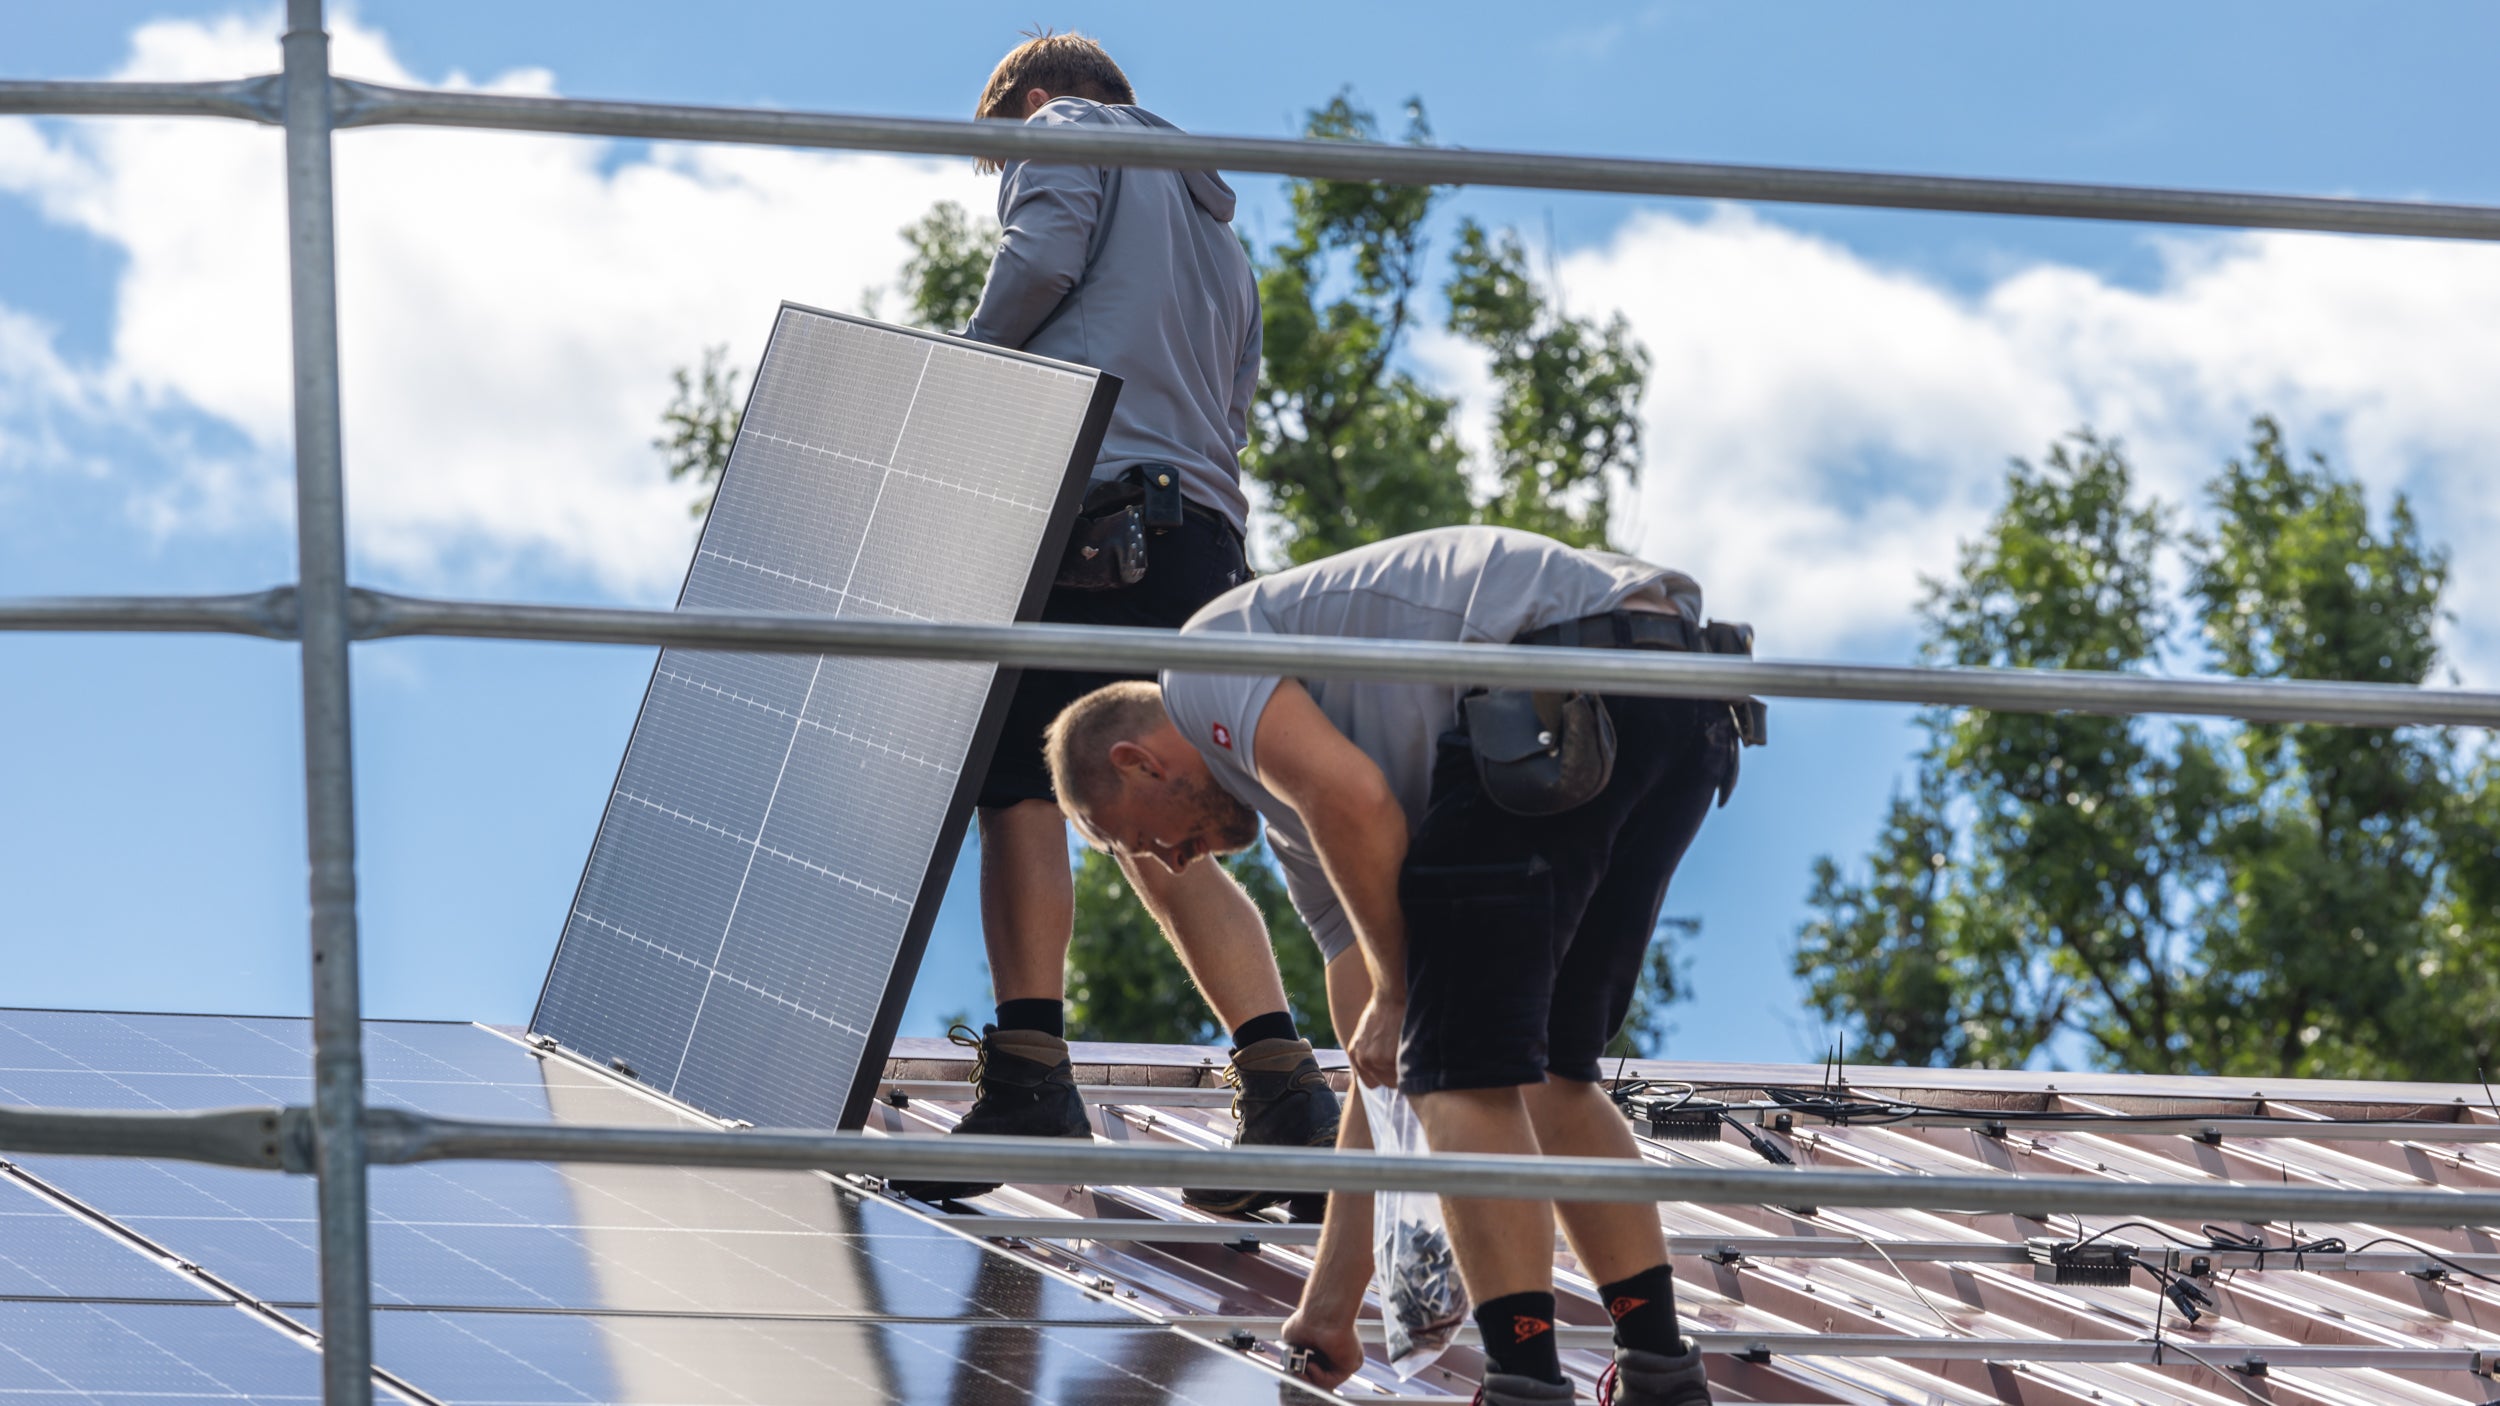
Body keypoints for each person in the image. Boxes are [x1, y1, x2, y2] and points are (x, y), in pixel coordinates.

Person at [1044, 526, 1746, 1405]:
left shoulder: (1201, 669)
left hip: (1554, 698)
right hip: (1676, 706)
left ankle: (1525, 1386)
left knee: (1463, 1070)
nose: (1173, 861)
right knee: (1549, 1075)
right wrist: (1331, 1307)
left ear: (1139, 762)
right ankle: (1661, 1374)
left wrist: (1400, 990)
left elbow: (1360, 807)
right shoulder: (1304, 823)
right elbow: (1383, 1075)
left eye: (1140, 839)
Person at [894, 31, 1338, 1210]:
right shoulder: (1219, 236)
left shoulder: (1060, 132)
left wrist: (955, 383)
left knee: (1020, 788)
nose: (1007, 177)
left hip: (1095, 526)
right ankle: (1284, 1087)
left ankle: (1030, 1078)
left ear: (1034, 102)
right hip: (1198, 543)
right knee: (1158, 817)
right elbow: (1231, 411)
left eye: (998, 160)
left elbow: (1039, 262)